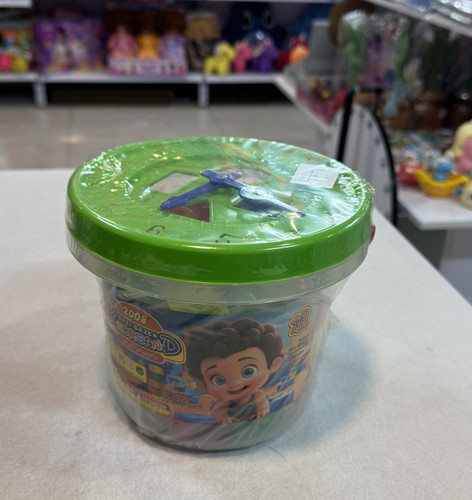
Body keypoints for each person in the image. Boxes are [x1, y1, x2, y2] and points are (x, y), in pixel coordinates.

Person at [186, 318, 284, 424]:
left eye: (248, 372)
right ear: (203, 386)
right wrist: (222, 416)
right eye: (219, 380)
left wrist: (262, 410)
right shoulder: (223, 402)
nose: (234, 384)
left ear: (274, 365)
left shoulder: (257, 396)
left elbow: (263, 405)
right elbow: (217, 412)